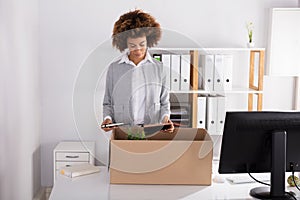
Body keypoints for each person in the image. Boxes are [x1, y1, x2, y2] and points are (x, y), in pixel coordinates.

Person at [101, 9, 174, 133]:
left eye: (142, 44)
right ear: (125, 43)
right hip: (123, 131)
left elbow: (164, 103)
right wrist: (107, 119)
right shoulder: (114, 68)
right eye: (132, 45)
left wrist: (165, 119)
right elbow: (107, 102)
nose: (138, 50)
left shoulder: (159, 68)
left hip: (151, 130)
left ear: (149, 40)